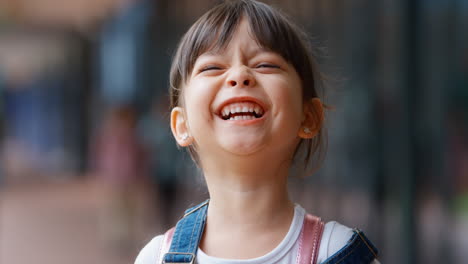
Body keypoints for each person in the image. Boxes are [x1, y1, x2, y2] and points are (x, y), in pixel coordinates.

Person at [135, 1, 380, 263]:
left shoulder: (338, 251)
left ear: (308, 117)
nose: (240, 75)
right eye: (212, 67)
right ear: (182, 126)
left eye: (266, 65)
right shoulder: (155, 257)